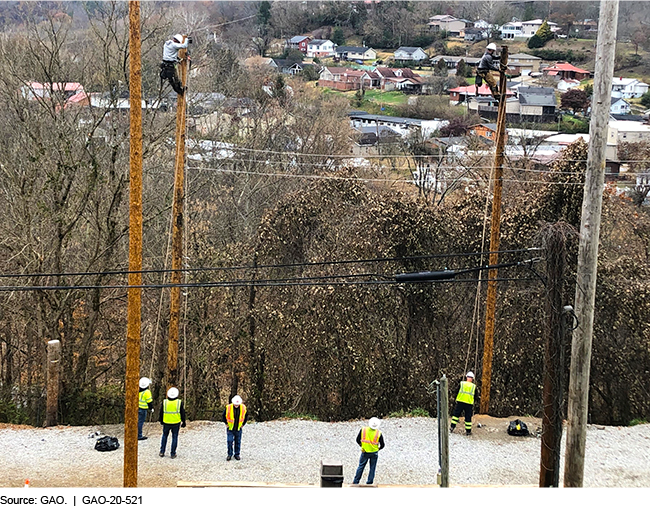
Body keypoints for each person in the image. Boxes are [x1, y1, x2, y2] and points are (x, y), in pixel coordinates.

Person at [352, 417, 385, 485]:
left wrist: (362, 445)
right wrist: (378, 449)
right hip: (374, 452)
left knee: (361, 466)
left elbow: (357, 440)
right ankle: (369, 482)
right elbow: (382, 445)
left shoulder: (363, 430)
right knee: (372, 468)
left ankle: (356, 481)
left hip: (365, 451)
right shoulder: (378, 433)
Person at [159, 387, 186, 458]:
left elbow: (161, 412)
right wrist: (184, 421)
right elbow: (182, 413)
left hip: (166, 422)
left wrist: (161, 420)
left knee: (164, 436)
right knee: (175, 437)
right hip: (176, 422)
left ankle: (162, 451)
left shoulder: (164, 402)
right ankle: (173, 453)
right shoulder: (179, 402)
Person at [222, 395, 248, 461]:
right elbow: (223, 415)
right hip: (230, 428)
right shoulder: (228, 407)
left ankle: (237, 454)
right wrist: (226, 423)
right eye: (235, 404)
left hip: (238, 428)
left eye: (237, 404)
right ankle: (229, 454)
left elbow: (246, 416)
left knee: (238, 442)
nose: (236, 405)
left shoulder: (243, 408)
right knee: (229, 441)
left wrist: (243, 424)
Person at [450, 371, 477, 435]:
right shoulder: (473, 386)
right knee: (468, 417)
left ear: (466, 377)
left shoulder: (462, 383)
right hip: (469, 403)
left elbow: (456, 391)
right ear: (472, 378)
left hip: (460, 402)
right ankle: (468, 431)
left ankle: (452, 427)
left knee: (456, 415)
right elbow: (475, 396)